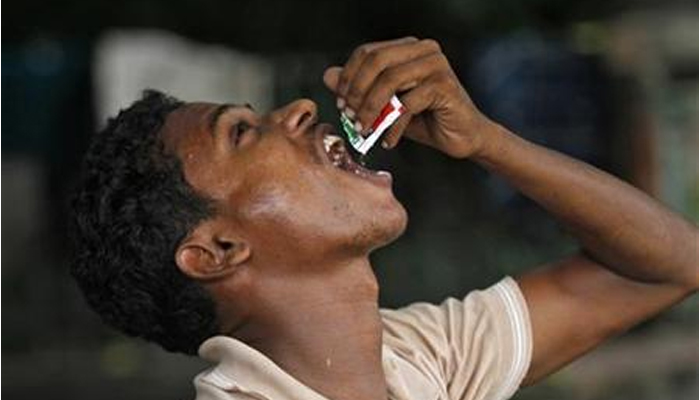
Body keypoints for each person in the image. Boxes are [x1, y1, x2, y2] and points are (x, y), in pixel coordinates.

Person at [70, 37, 698, 400]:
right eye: (241, 133)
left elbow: (665, 268)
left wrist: (485, 141)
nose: (294, 110)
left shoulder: (413, 356)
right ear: (218, 249)